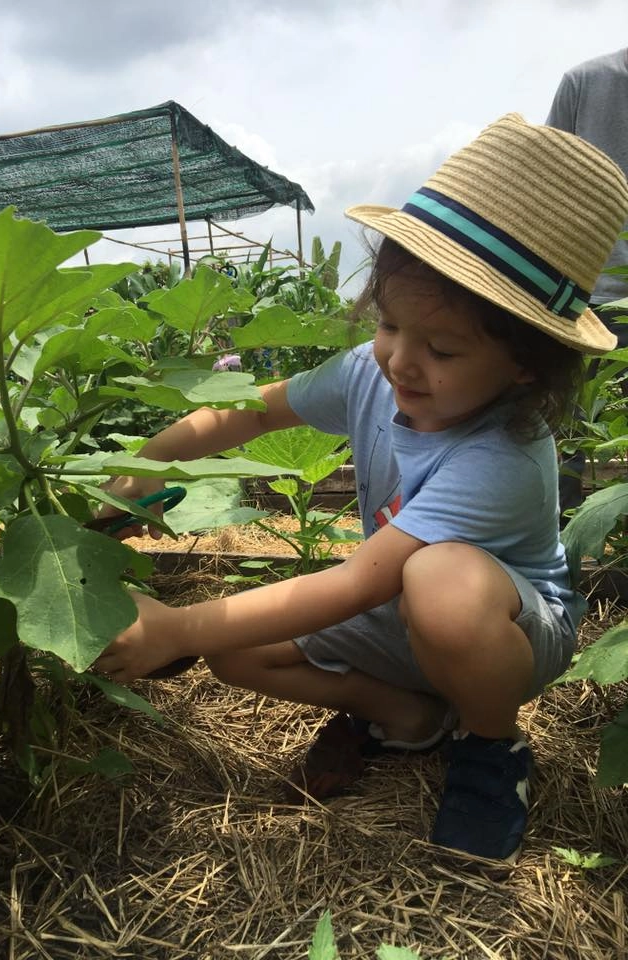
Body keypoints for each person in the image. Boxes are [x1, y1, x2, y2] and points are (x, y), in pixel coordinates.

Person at [94, 114, 628, 864]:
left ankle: (490, 744)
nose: (400, 362)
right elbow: (243, 411)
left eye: (441, 348)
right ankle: (408, 717)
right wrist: (144, 468)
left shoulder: (504, 454)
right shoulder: (371, 371)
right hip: (400, 616)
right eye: (388, 325)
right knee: (236, 652)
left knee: (438, 579)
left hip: (505, 629)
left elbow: (354, 583)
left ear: (526, 367)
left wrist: (175, 628)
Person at [546, 49, 628, 513]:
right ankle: (558, 565)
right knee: (568, 441)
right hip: (586, 298)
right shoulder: (586, 82)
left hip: (587, 294)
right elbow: (547, 183)